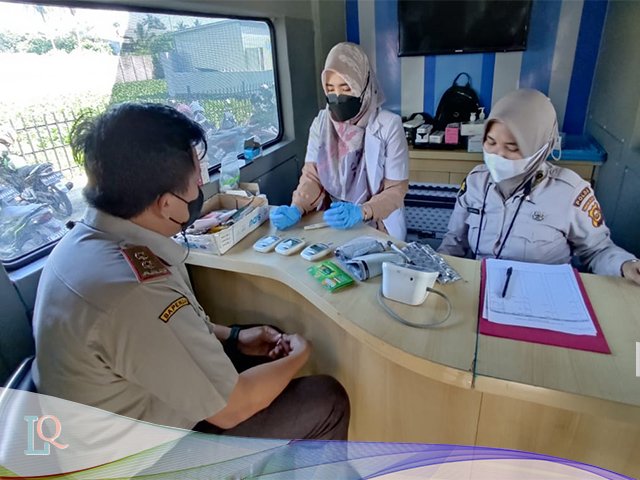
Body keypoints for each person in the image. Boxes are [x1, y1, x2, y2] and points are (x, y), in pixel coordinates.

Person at [31, 103, 350, 440]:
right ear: (165, 204)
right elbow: (234, 408)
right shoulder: (136, 293)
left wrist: (235, 336)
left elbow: (166, 337)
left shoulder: (82, 244)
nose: (200, 188)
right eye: (196, 180)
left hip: (112, 419)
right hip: (143, 461)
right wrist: (301, 355)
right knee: (326, 399)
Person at [438, 89, 640, 285]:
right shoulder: (476, 182)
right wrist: (434, 271)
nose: (497, 154)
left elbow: (597, 250)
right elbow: (454, 241)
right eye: (490, 142)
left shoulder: (570, 191)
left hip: (543, 295)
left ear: (540, 147)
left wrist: (625, 265)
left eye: (512, 147)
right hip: (482, 289)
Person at [269, 42, 409, 240]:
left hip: (376, 221)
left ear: (363, 85)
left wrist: (363, 211)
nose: (337, 97)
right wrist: (297, 206)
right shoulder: (321, 123)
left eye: (346, 88)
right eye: (330, 88)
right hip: (332, 217)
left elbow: (396, 189)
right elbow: (312, 176)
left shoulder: (389, 125)